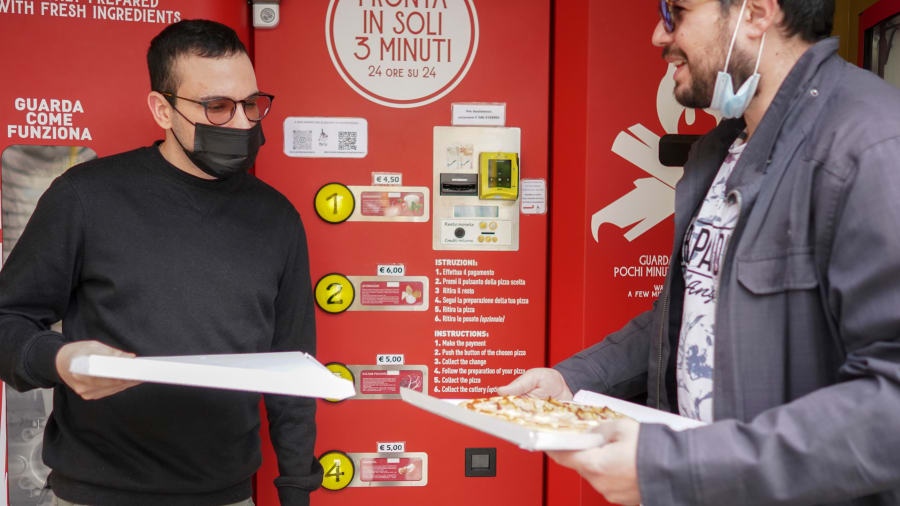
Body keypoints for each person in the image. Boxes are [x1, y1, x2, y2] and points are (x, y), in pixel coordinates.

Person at [500, 0, 900, 504]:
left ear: (757, 13)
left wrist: (679, 467)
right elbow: (693, 312)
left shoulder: (871, 143)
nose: (658, 35)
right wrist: (572, 380)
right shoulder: (720, 151)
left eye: (678, 12)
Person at [0, 20, 322, 506]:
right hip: (95, 495)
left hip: (228, 495)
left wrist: (296, 490)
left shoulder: (277, 218)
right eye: (217, 107)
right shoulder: (85, 197)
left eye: (252, 105)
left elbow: (292, 368)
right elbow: (7, 320)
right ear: (162, 109)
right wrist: (58, 359)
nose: (242, 124)